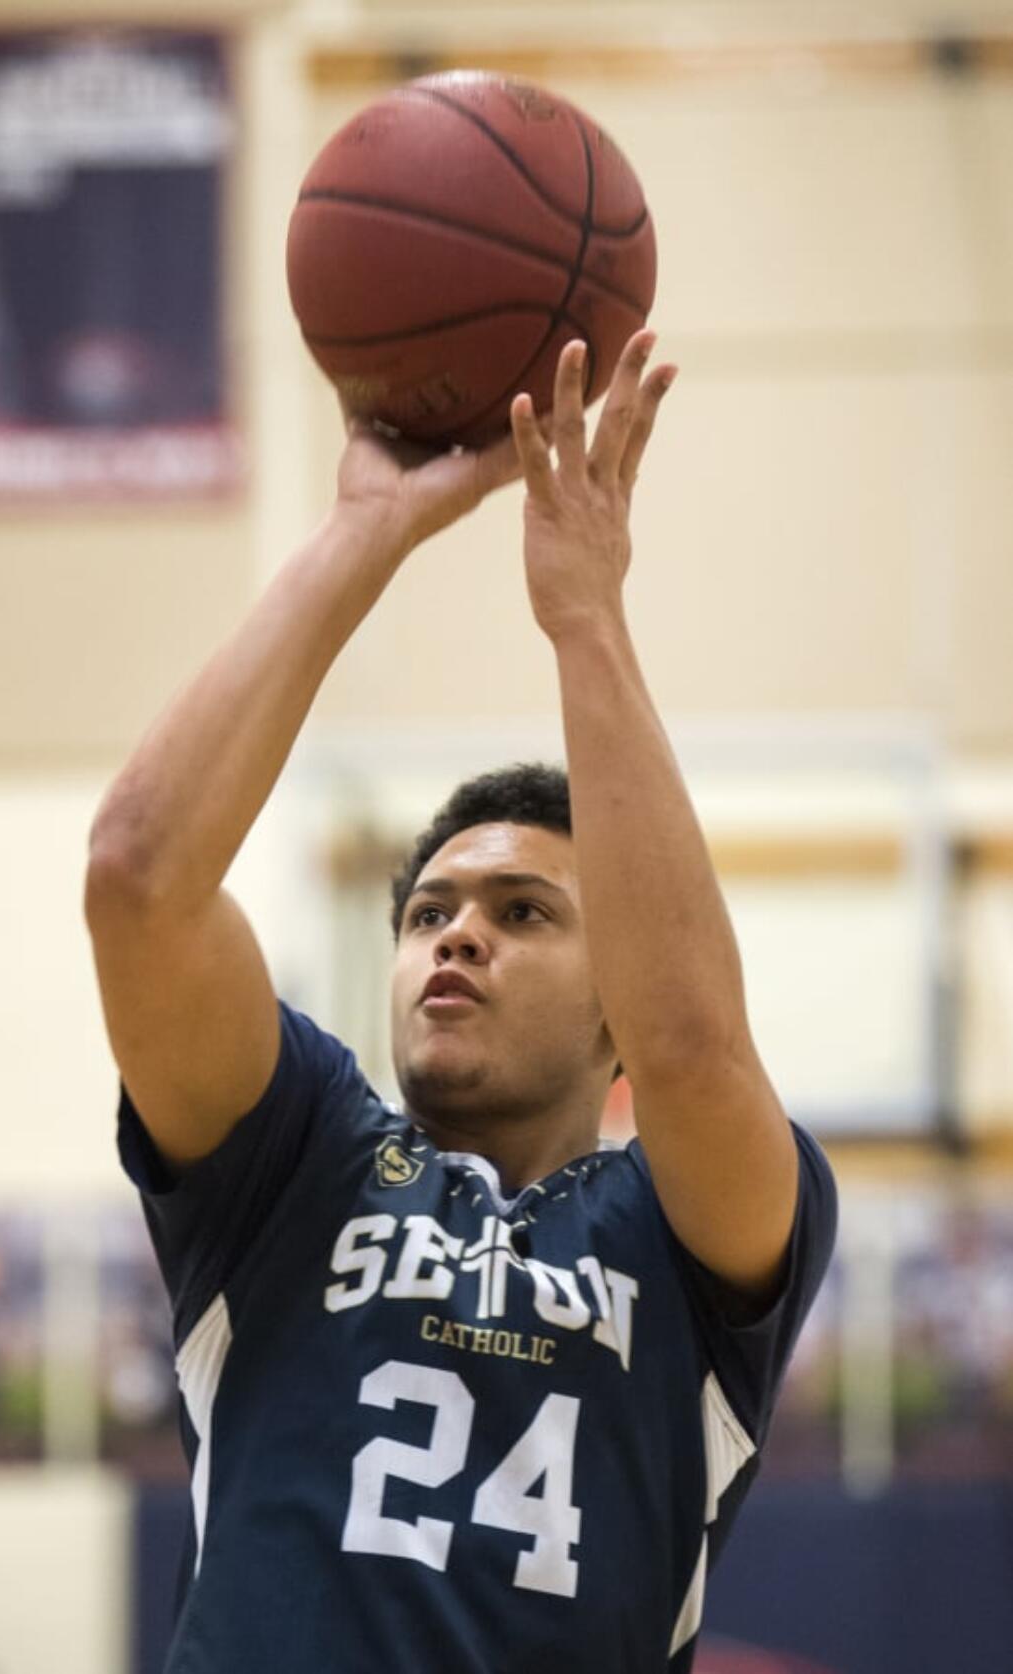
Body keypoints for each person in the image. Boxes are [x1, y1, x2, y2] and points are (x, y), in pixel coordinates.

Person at [85, 332, 837, 1673]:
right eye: (428, 912)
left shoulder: (684, 1234)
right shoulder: (295, 1156)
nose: (456, 938)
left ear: (612, 1013)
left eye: (521, 912)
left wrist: (585, 615)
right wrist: (368, 529)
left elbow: (691, 1041)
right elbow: (138, 880)